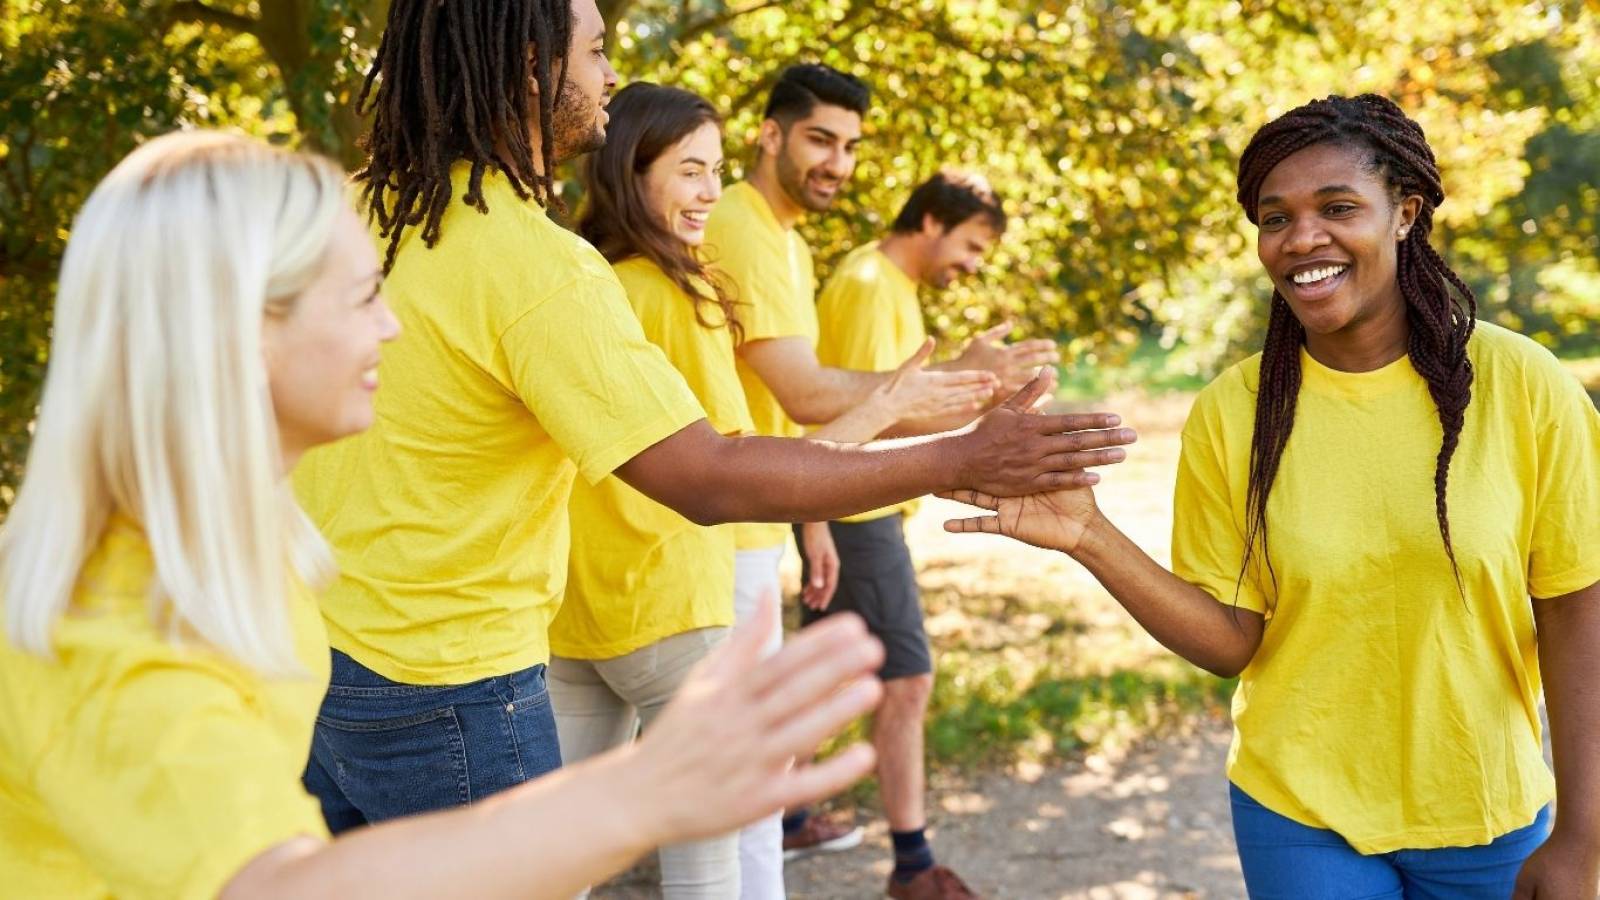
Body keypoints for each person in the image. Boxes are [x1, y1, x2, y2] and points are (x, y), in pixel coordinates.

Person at [291, 0, 1133, 839]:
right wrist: (959, 458)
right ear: (530, 66)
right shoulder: (536, 266)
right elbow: (707, 475)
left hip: (319, 651)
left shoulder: (355, 213)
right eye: (595, 52)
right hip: (450, 687)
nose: (611, 74)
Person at [0, 129, 892, 900]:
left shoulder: (226, 550)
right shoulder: (119, 621)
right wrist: (648, 789)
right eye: (360, 297)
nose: (391, 328)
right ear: (240, 328)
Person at [942, 94, 1600, 899]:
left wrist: (1583, 835)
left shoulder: (1524, 385)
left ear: (1405, 213)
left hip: (1483, 807)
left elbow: (1576, 610)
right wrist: (1090, 536)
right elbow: (1230, 642)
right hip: (1298, 809)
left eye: (1337, 207)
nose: (1302, 239)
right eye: (1274, 217)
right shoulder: (1234, 409)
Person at [549, 83, 974, 899]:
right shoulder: (681, 292)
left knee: (565, 855)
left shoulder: (591, 285)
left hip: (583, 610)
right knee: (721, 855)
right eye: (689, 171)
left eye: (716, 170)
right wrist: (891, 409)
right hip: (675, 607)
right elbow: (745, 460)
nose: (712, 191)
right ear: (630, 173)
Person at [702, 65, 1060, 890]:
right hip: (776, 507)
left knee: (832, 690)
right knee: (887, 683)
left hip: (778, 511)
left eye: (850, 146)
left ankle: (826, 829)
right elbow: (822, 401)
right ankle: (910, 863)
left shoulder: (790, 243)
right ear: (768, 134)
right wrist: (966, 396)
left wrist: (972, 390)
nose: (838, 162)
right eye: (821, 139)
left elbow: (859, 402)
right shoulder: (812, 257)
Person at [791, 169, 1020, 900]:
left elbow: (898, 410)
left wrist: (982, 392)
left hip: (860, 511)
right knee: (907, 677)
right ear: (930, 222)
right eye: (973, 245)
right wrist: (816, 518)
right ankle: (913, 866)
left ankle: (785, 812)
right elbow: (831, 416)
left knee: (833, 674)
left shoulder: (887, 285)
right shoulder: (867, 284)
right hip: (857, 513)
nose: (974, 265)